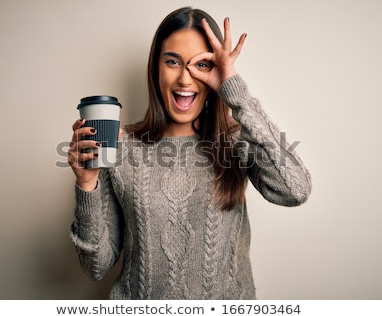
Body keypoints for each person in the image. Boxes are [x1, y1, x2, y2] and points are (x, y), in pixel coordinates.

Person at [67, 7, 311, 299]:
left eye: (201, 65)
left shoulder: (235, 141)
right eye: (173, 61)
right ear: (156, 67)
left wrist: (235, 91)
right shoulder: (121, 144)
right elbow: (95, 266)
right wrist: (86, 184)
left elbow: (295, 189)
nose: (185, 79)